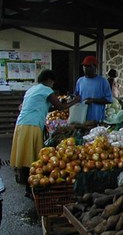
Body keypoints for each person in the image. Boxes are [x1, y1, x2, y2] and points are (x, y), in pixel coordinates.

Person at [10, 69, 81, 198]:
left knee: (25, 156)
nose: (53, 85)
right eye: (53, 82)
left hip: (21, 124)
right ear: (49, 80)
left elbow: (46, 106)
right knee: (32, 158)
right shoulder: (46, 90)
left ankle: (28, 187)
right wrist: (76, 101)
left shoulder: (32, 89)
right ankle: (31, 187)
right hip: (32, 125)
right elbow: (60, 107)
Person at [74, 56, 113, 122]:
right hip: (82, 119)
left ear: (95, 67)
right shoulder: (80, 81)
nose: (85, 68)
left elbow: (109, 100)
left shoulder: (103, 81)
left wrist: (93, 100)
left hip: (97, 119)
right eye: (84, 66)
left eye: (88, 66)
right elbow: (76, 96)